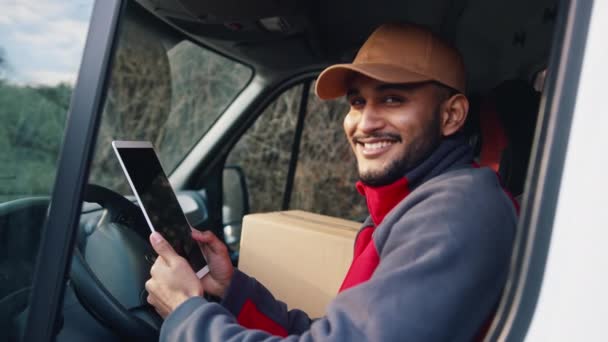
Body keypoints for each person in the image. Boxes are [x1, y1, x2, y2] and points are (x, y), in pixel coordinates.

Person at [145, 23, 517, 341]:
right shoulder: (409, 206)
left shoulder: (457, 212)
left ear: (451, 115)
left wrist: (186, 314)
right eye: (357, 102)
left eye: (391, 99)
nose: (365, 123)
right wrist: (231, 290)